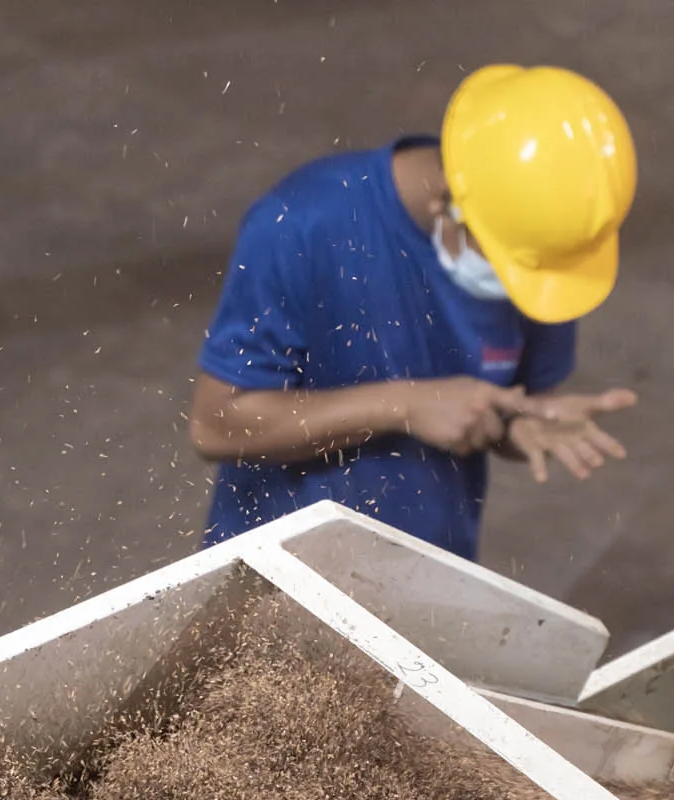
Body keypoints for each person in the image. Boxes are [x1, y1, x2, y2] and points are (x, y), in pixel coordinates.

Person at [187, 64, 639, 562]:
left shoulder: (541, 248)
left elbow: (510, 401)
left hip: (429, 572)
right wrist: (403, 405)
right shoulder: (301, 225)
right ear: (449, 198)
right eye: (501, 263)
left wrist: (515, 425)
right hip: (278, 570)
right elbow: (216, 425)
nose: (508, 286)